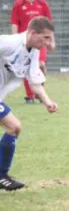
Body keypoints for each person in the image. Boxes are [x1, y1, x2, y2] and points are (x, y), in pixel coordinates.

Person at [0, 16, 58, 191]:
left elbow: (34, 81)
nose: (48, 42)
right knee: (13, 126)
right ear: (33, 33)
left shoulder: (33, 52)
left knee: (14, 128)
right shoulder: (9, 43)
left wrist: (47, 102)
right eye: (46, 37)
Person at [10, 0, 54, 104]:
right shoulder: (19, 4)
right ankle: (30, 96)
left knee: (41, 65)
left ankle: (40, 91)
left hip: (41, 42)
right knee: (26, 66)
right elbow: (14, 22)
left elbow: (49, 24)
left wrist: (51, 40)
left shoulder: (42, 4)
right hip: (25, 42)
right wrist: (15, 39)